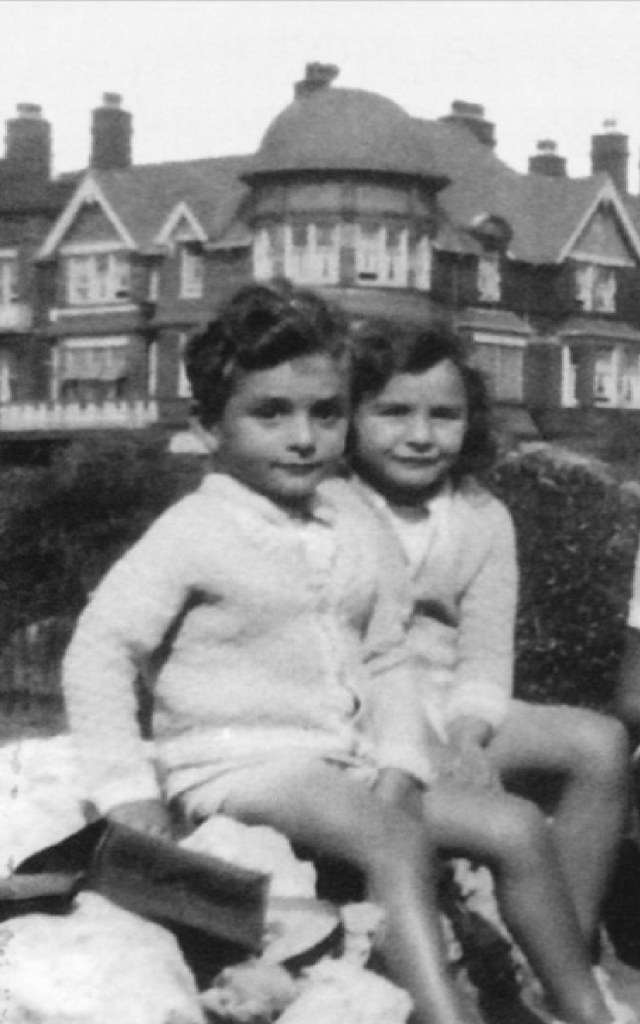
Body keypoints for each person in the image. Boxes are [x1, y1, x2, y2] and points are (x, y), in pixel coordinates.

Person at [62, 281, 475, 1024]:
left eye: (327, 413)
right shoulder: (194, 530)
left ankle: (580, 1003)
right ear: (208, 427)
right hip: (232, 762)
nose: (304, 437)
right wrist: (126, 792)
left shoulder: (345, 524)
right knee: (391, 837)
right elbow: (100, 649)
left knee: (511, 828)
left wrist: (400, 761)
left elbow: (386, 654)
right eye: (271, 413)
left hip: (330, 758)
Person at [347, 318, 634, 1024]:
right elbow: (346, 655)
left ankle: (558, 957)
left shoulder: (481, 516)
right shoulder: (335, 507)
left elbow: (484, 651)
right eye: (393, 412)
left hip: (451, 702)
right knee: (495, 814)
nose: (420, 435)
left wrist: (469, 736)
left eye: (444, 416)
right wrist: (421, 743)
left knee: (599, 742)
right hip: (361, 715)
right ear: (349, 416)